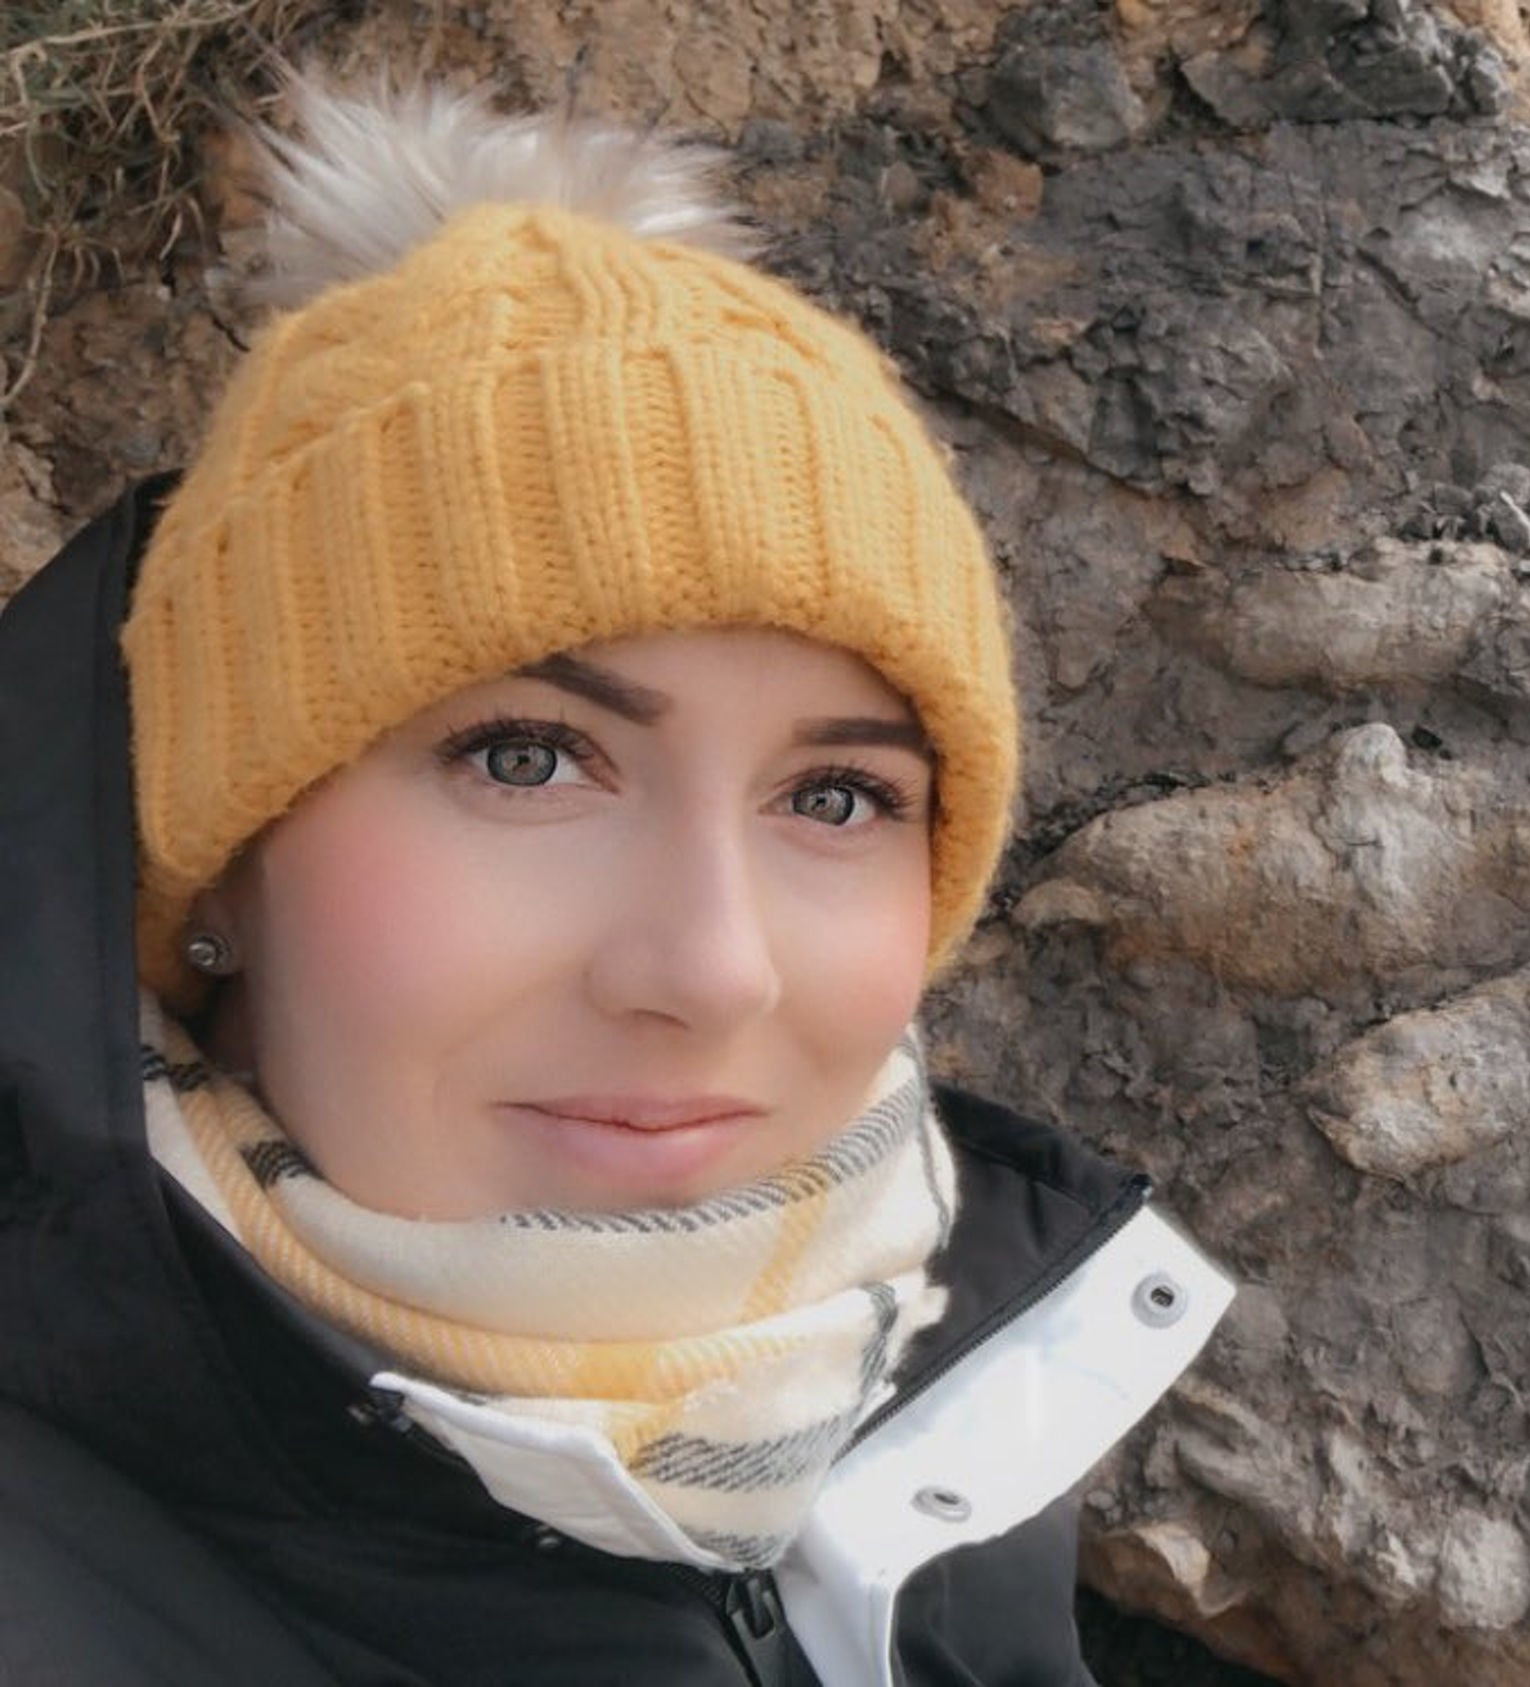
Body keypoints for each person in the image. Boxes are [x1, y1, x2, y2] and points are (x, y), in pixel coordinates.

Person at [0, 74, 1227, 1686]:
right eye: (525, 759)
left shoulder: (938, 1434)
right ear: (222, 856)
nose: (710, 969)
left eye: (838, 794)